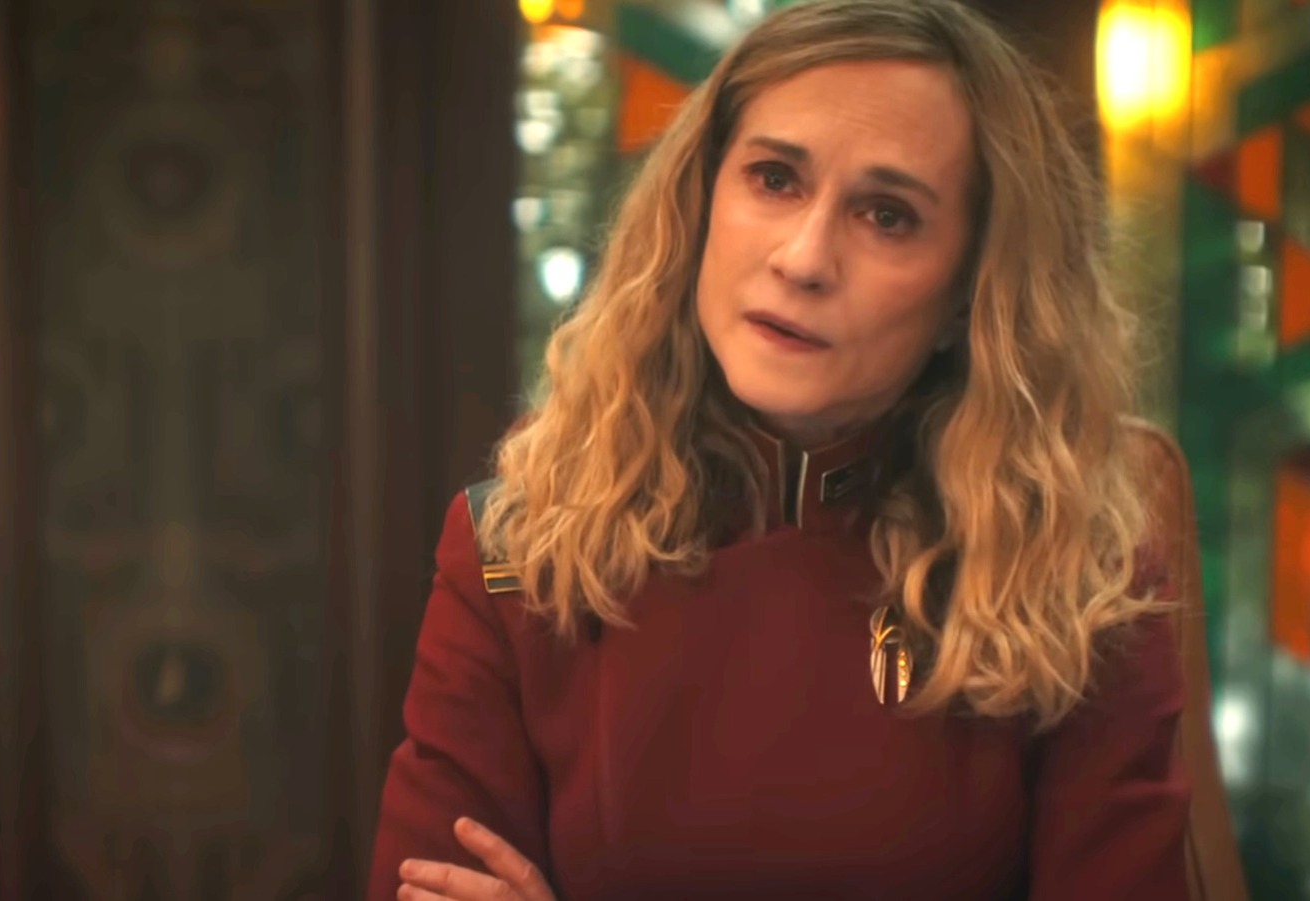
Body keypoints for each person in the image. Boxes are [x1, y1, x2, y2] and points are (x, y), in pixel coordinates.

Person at [371, 0, 1193, 897]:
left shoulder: (1079, 579)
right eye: (774, 179)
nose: (804, 259)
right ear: (700, 205)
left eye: (887, 215)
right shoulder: (516, 549)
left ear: (971, 293)